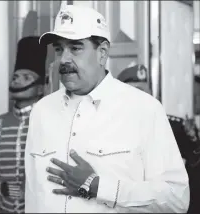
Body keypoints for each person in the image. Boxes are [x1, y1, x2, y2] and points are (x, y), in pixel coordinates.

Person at [24, 5, 190, 213]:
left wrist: (97, 187)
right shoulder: (42, 111)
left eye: (75, 48)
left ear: (102, 53)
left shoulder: (144, 110)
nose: (64, 59)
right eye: (59, 49)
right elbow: (33, 195)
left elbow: (176, 199)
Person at [117, 64, 200, 214]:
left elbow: (192, 177)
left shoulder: (174, 127)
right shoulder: (108, 128)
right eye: (133, 91)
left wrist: (194, 140)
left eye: (143, 91)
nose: (139, 97)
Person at [0, 36, 47, 213]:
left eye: (26, 77)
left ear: (40, 88)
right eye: (15, 76)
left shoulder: (52, 123)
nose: (17, 81)